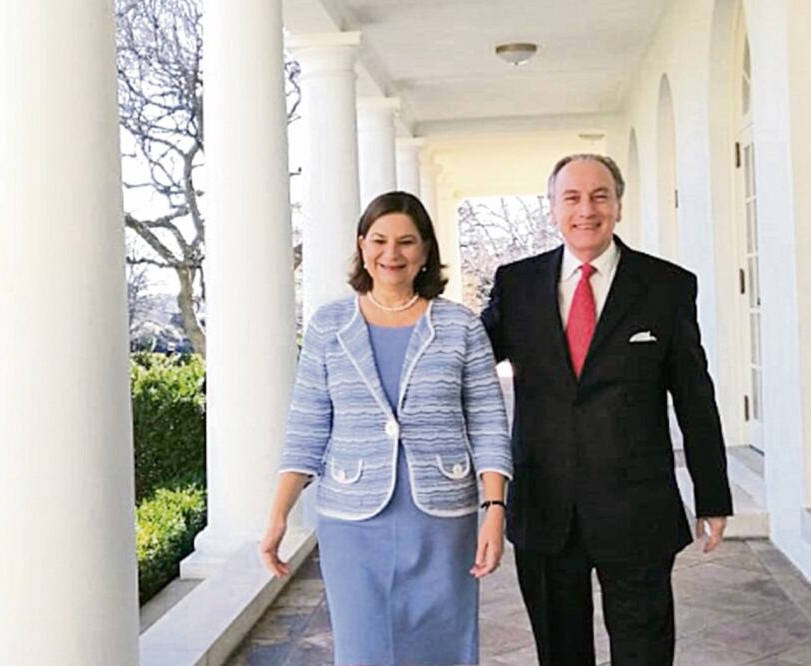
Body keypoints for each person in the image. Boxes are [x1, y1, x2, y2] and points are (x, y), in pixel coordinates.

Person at [481, 154, 733, 665]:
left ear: (618, 205)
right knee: (561, 654)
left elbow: (694, 397)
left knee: (645, 652)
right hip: (546, 508)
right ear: (552, 209)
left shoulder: (667, 286)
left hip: (637, 510)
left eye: (600, 196)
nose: (586, 210)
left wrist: (712, 493)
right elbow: (467, 364)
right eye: (571, 198)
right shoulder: (517, 284)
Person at [261, 191, 513, 666]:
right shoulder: (328, 325)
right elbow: (307, 423)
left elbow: (488, 422)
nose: (391, 254)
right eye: (378, 240)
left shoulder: (460, 326)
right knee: (364, 649)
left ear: (424, 251)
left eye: (405, 241)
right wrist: (279, 514)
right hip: (351, 520)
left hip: (440, 518)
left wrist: (495, 509)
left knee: (442, 646)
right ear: (362, 246)